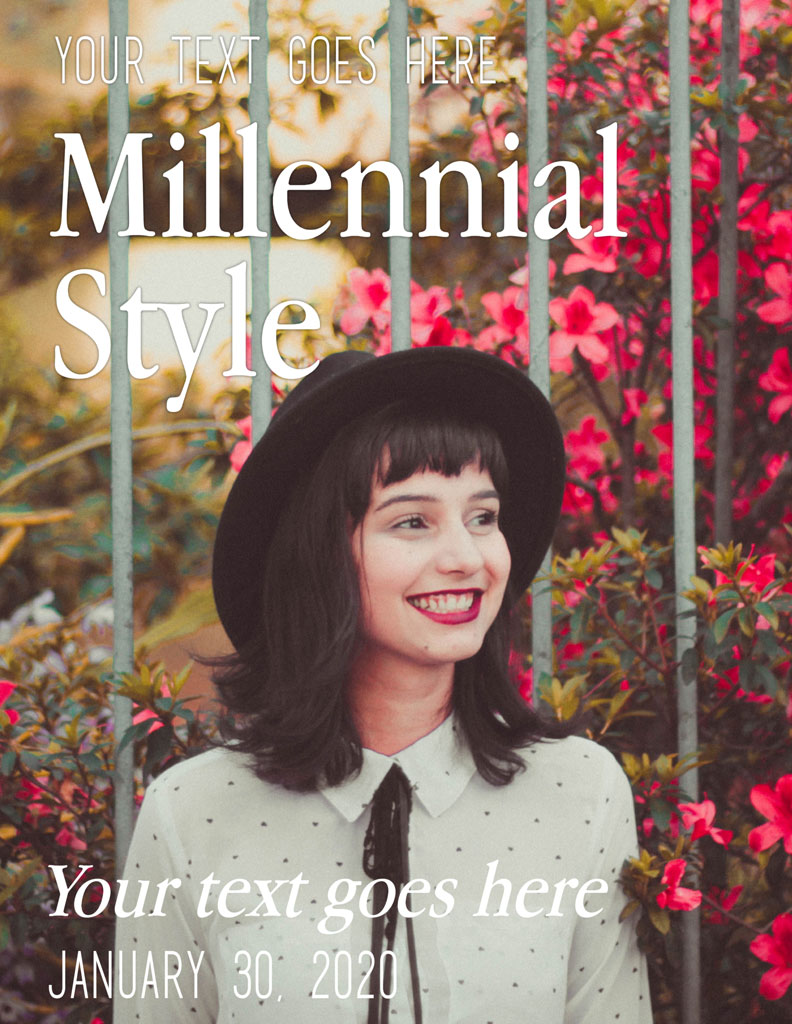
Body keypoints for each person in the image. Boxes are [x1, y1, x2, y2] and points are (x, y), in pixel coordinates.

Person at [115, 347, 652, 1023]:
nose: (466, 557)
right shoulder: (192, 812)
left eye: (483, 517)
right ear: (319, 555)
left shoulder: (582, 791)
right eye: (412, 521)